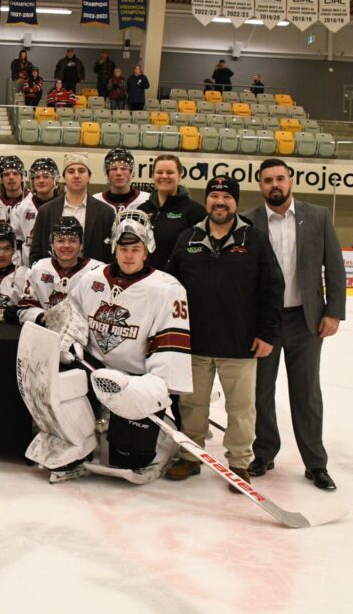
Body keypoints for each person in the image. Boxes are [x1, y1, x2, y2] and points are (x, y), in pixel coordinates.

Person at [21, 209, 192, 484]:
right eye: (123, 248)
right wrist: (68, 343)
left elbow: (171, 344)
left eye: (135, 248)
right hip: (93, 369)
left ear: (147, 249)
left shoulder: (167, 288)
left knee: (129, 456)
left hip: (134, 380)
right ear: (114, 247)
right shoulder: (93, 279)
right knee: (62, 391)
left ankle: (160, 436)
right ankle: (82, 445)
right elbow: (70, 316)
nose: (128, 255)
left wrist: (153, 390)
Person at [165, 175, 283, 489]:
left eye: (226, 197)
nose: (220, 202)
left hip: (240, 344)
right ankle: (191, 457)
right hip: (195, 343)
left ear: (235, 202)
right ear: (207, 202)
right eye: (215, 197)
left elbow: (273, 290)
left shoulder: (254, 240)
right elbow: (169, 288)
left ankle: (239, 463)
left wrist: (267, 334)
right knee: (192, 405)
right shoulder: (187, 237)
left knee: (242, 409)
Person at [244, 159, 345, 491]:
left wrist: (333, 312)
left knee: (306, 393)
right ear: (260, 185)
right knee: (261, 392)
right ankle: (264, 453)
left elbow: (334, 267)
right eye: (268, 180)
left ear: (291, 181)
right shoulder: (249, 221)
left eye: (280, 179)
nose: (275, 184)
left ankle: (315, 463)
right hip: (265, 323)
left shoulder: (317, 216)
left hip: (306, 320)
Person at [28, 153, 115, 266]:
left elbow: (111, 255)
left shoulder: (105, 212)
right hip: (54, 280)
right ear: (64, 177)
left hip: (92, 280)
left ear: (89, 176)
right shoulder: (46, 211)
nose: (76, 175)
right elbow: (36, 253)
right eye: (71, 171)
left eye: (81, 171)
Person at [14, 216, 103, 326]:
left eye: (73, 240)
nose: (66, 245)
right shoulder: (38, 269)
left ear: (81, 244)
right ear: (52, 243)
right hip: (45, 336)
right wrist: (47, 318)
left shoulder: (97, 272)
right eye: (60, 240)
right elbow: (24, 309)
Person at [136, 154, 206, 271]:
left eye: (169, 172)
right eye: (159, 172)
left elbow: (200, 255)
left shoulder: (195, 211)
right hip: (145, 281)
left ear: (179, 176)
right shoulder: (142, 210)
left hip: (179, 282)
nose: (164, 176)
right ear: (153, 176)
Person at [10, 157, 59, 270]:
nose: (41, 180)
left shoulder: (63, 206)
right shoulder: (20, 208)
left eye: (46, 176)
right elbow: (16, 244)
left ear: (55, 179)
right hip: (27, 270)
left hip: (58, 268)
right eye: (37, 177)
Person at [94, 148, 149, 213]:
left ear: (131, 172)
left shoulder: (146, 199)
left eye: (124, 168)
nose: (119, 173)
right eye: (114, 169)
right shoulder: (96, 201)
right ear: (107, 173)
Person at [0, 155, 28, 226]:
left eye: (15, 174)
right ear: (1, 179)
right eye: (6, 174)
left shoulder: (32, 200)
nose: (11, 177)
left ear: (22, 177)